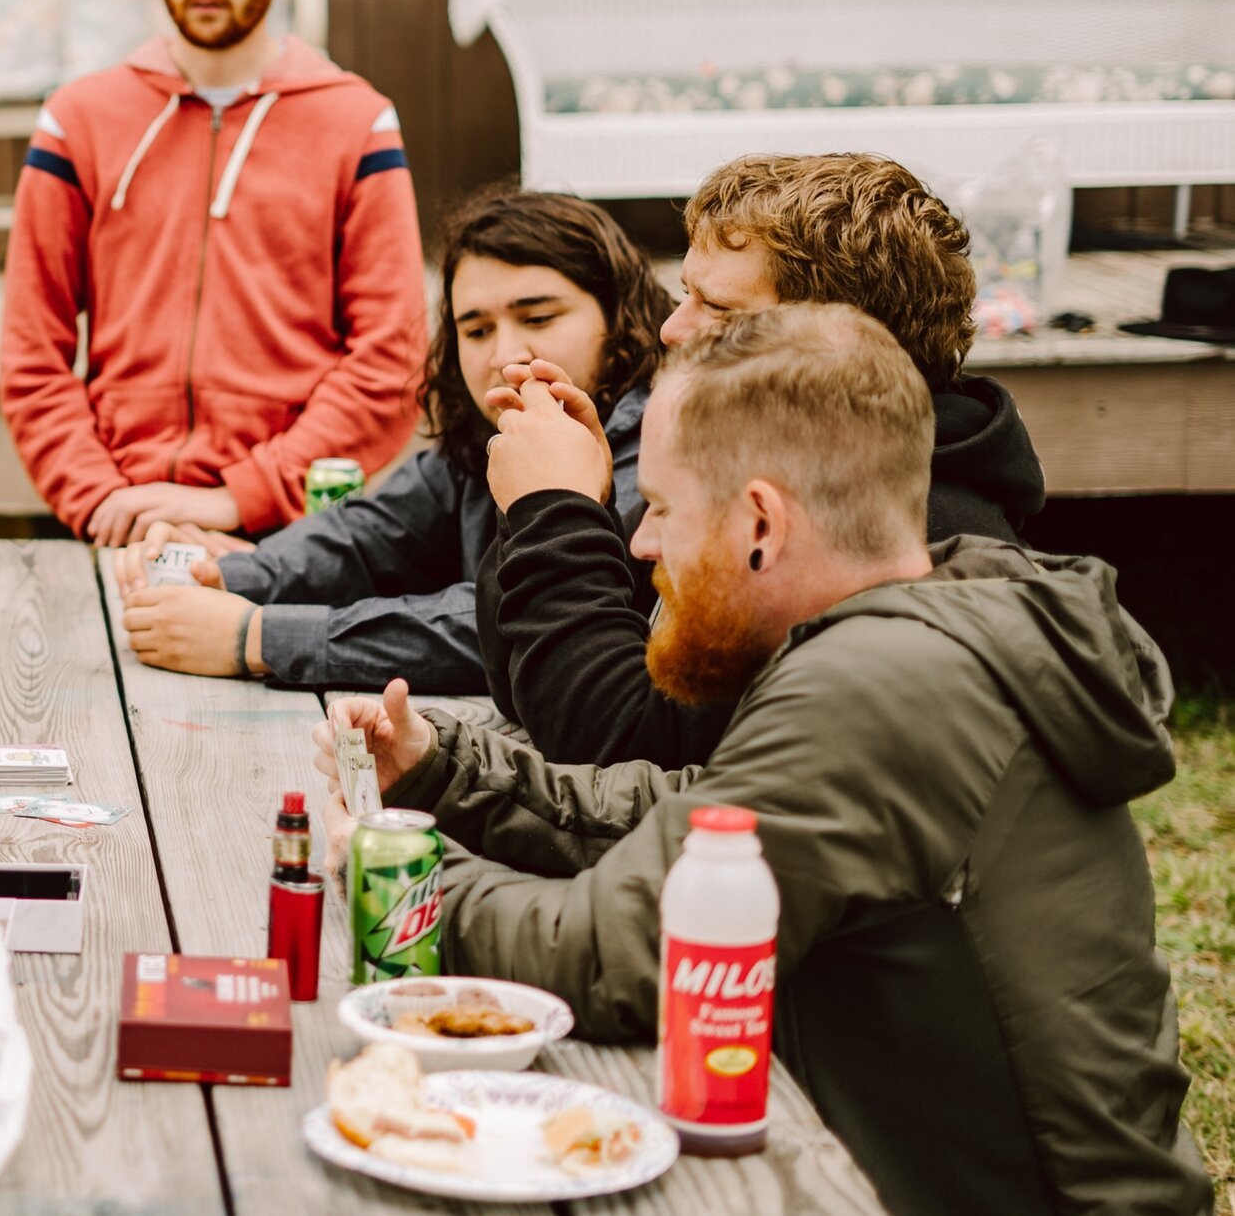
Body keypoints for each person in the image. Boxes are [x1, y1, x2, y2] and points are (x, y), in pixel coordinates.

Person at [316, 306, 1207, 1216]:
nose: (639, 544)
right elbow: (704, 815)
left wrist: (400, 871)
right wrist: (445, 769)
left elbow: (611, 952)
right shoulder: (926, 620)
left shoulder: (880, 684)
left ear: (760, 525)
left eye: (661, 506)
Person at [479, 151, 1048, 767]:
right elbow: (529, 686)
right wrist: (568, 505)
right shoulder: (763, 452)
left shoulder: (895, 528)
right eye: (686, 294)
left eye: (719, 310)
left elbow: (632, 745)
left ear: (834, 341)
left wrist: (554, 512)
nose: (672, 328)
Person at [0, 0, 427, 546]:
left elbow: (391, 359)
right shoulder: (77, 122)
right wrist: (103, 500)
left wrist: (240, 497)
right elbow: (30, 354)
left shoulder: (358, 124)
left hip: (295, 531)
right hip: (116, 523)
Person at [113, 190, 670, 690]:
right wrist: (213, 575)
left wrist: (256, 637)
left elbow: (507, 624)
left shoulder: (658, 448)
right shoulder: (481, 440)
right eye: (475, 331)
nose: (504, 355)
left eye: (539, 318)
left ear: (621, 317)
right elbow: (365, 536)